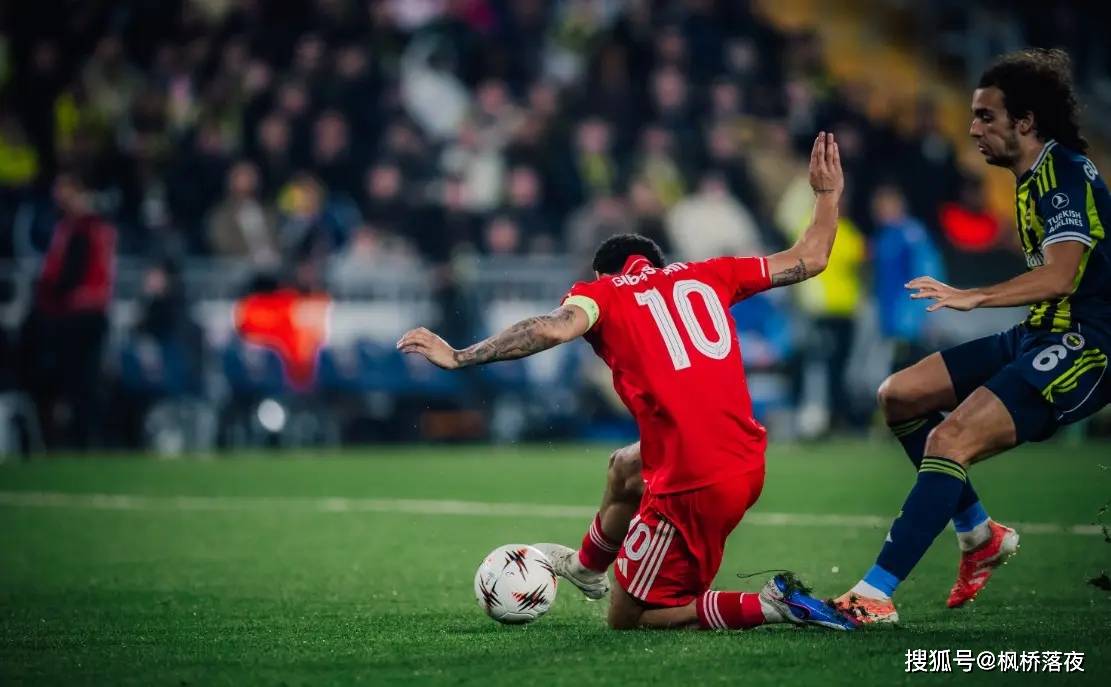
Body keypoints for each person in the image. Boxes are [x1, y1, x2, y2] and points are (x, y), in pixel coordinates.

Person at [398, 133, 854, 631]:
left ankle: (771, 605)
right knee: (624, 467)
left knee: (630, 617)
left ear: (603, 273)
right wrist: (826, 194)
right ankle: (585, 567)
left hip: (693, 481)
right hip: (746, 459)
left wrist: (461, 356)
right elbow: (812, 257)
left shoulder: (603, 293)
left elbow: (550, 329)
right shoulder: (711, 274)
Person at [833, 49, 1111, 624]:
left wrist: (974, 295)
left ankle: (874, 595)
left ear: (1025, 122)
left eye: (986, 116)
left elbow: (1061, 275)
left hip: (1086, 344)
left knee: (949, 440)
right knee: (899, 395)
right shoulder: (1031, 176)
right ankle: (979, 535)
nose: (973, 129)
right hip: (1040, 332)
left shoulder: (1060, 172)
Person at [18, 171, 117, 448]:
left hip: (77, 314)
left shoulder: (81, 229)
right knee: (84, 381)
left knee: (74, 380)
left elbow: (69, 275)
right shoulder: (95, 227)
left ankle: (72, 438)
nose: (58, 197)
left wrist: (45, 296)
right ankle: (81, 438)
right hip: (90, 313)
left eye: (64, 191)